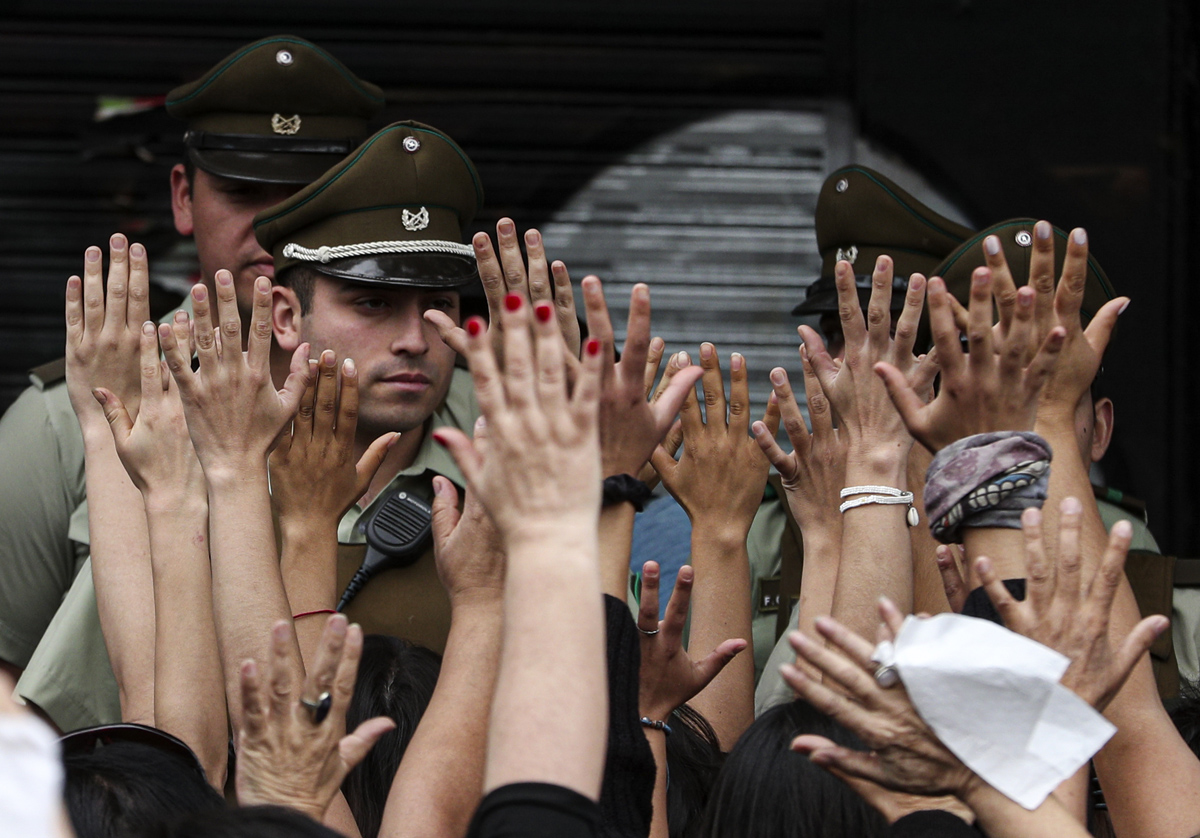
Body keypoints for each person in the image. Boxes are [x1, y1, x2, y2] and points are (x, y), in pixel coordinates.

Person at [0, 34, 384, 731]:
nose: (274, 225)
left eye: (308, 195)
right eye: (243, 193)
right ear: (184, 197)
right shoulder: (63, 421)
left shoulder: (458, 412)